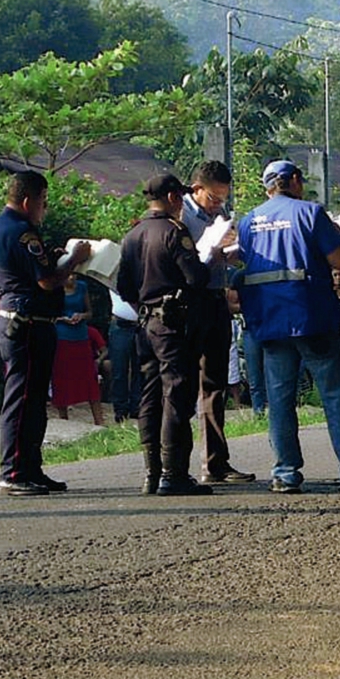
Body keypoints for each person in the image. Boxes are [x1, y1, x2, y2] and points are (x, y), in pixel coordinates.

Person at [235, 160, 340, 495]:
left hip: (270, 321)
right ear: (295, 181)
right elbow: (338, 260)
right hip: (311, 317)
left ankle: (286, 473)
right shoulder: (310, 213)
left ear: (267, 187)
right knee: (335, 394)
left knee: (279, 398)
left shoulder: (247, 222)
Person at [0, 171, 91, 495]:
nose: (44, 209)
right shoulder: (21, 232)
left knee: (35, 401)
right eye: (43, 203)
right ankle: (13, 472)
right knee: (22, 401)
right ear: (27, 201)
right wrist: (74, 259)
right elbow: (47, 280)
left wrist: (57, 257)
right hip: (26, 323)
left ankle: (31, 467)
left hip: (30, 321)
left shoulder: (4, 227)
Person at [118, 174, 212, 496]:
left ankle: (151, 473)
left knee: (149, 394)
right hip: (173, 325)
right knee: (177, 394)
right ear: (173, 197)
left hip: (144, 324)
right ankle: (174, 473)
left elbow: (124, 287)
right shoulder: (174, 232)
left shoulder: (131, 235)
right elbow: (195, 277)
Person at [181, 160, 254, 484]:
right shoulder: (179, 217)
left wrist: (230, 252)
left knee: (215, 383)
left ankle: (216, 463)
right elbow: (186, 262)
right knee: (184, 385)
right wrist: (210, 251)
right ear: (195, 189)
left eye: (223, 199)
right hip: (189, 305)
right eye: (213, 198)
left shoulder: (217, 218)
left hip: (216, 300)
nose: (218, 205)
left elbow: (216, 259)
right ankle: (175, 468)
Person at [51, 273, 104, 425]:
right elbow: (49, 314)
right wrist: (62, 319)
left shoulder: (82, 287)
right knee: (61, 377)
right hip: (61, 337)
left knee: (89, 376)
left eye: (74, 274)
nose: (72, 277)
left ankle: (99, 420)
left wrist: (82, 315)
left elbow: (90, 312)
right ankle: (64, 419)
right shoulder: (55, 288)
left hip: (81, 336)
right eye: (68, 274)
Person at [107, 287, 142, 423]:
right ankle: (120, 409)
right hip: (120, 324)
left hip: (140, 324)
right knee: (119, 370)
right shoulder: (115, 276)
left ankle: (136, 407)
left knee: (139, 369)